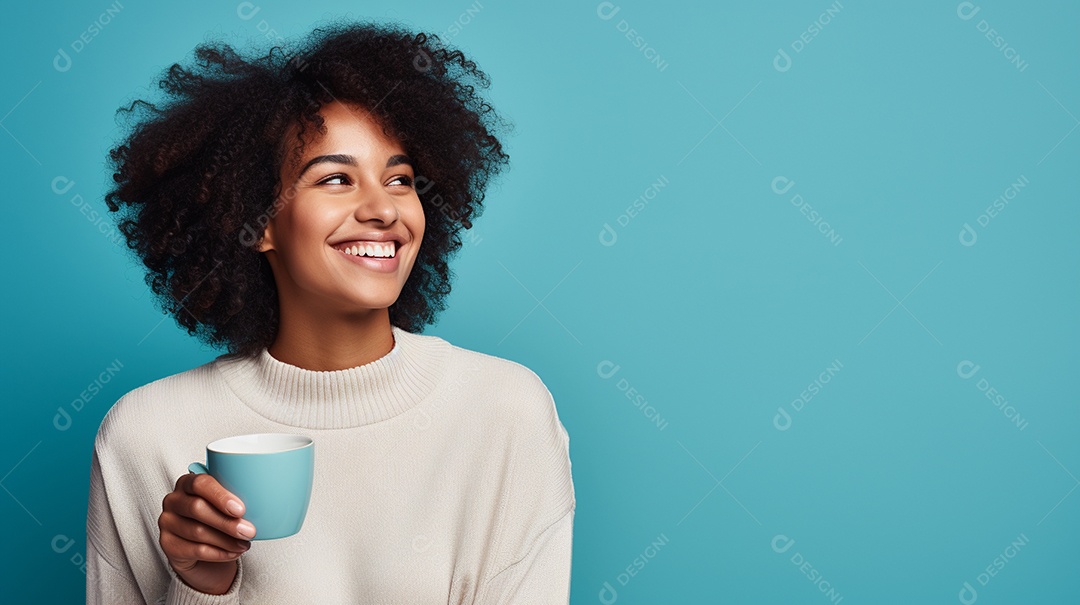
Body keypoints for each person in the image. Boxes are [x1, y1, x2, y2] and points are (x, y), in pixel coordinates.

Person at [87, 20, 575, 604]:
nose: (383, 209)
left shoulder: (505, 412)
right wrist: (201, 587)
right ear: (258, 220)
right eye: (337, 179)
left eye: (400, 179)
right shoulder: (145, 434)